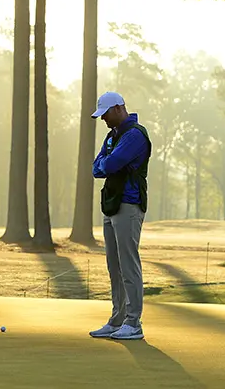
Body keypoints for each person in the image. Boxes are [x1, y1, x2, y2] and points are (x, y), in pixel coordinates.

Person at [88, 91, 152, 341]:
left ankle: (133, 322)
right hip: (112, 205)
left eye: (105, 114)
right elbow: (97, 167)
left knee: (128, 265)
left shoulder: (135, 134)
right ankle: (117, 319)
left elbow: (111, 164)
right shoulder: (112, 135)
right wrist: (106, 162)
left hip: (129, 203)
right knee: (113, 266)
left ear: (117, 109)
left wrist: (107, 162)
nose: (103, 119)